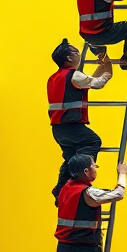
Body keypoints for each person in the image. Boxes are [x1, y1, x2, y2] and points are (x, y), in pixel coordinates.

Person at [48, 38, 112, 202]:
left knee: (70, 157)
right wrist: (107, 69)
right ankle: (80, 181)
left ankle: (61, 188)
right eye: (75, 52)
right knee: (92, 142)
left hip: (58, 128)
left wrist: (100, 68)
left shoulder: (55, 77)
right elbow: (97, 83)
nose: (78, 54)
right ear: (69, 58)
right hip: (72, 126)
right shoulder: (73, 76)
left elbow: (87, 81)